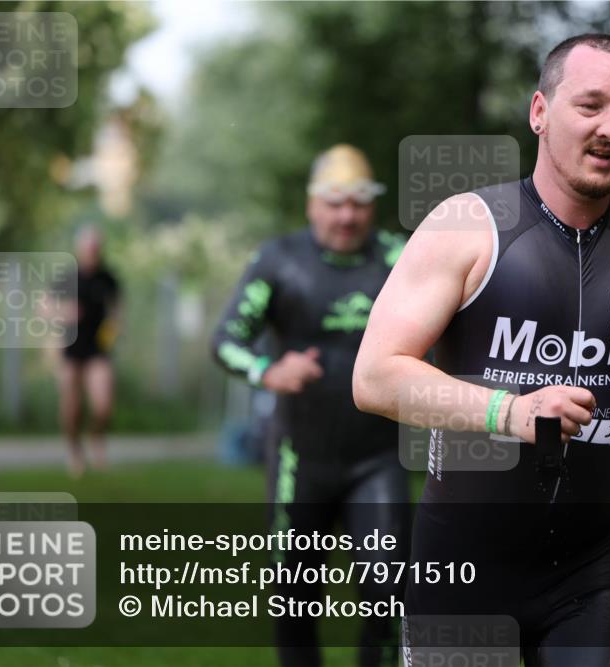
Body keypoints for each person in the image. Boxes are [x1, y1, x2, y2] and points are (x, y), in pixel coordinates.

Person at [353, 34, 610, 666]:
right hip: (464, 567)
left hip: (594, 569)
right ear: (539, 112)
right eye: (591, 106)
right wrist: (511, 411)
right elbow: (376, 377)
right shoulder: (466, 228)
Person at [211, 144, 409, 667]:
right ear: (312, 204)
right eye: (334, 202)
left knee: (390, 598)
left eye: (359, 203)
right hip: (300, 463)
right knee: (294, 605)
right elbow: (226, 339)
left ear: (373, 207)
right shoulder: (279, 260)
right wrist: (267, 372)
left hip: (377, 461)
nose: (347, 216)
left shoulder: (398, 258)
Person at [59, 225, 121, 476]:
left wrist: (116, 328)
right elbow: (44, 308)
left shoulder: (108, 279)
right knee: (72, 407)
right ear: (80, 249)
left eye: (96, 248)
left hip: (98, 350)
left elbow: (117, 310)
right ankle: (74, 450)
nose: (93, 252)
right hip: (72, 350)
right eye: (89, 248)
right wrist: (65, 313)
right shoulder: (66, 279)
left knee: (103, 405)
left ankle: (96, 439)